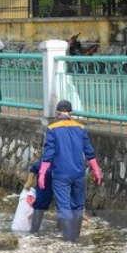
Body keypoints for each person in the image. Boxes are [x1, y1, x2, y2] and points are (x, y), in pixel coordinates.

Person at [38, 100, 103, 242]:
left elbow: (48, 154)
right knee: (78, 206)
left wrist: (42, 174)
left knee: (64, 207)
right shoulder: (80, 127)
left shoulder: (52, 128)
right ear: (71, 113)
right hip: (79, 173)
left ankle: (68, 241)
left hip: (61, 174)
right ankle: (75, 237)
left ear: (56, 113)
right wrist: (96, 171)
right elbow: (89, 152)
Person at [23, 160, 54, 233]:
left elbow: (35, 168)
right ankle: (33, 232)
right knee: (41, 204)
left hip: (63, 175)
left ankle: (33, 232)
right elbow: (35, 168)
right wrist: (29, 181)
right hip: (48, 175)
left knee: (65, 205)